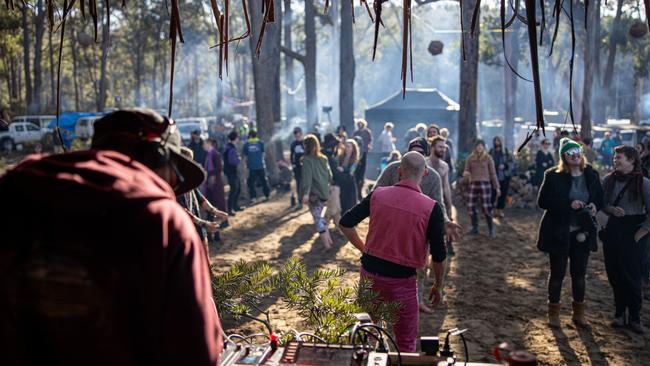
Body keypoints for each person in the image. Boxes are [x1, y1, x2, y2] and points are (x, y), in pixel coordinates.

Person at [0, 108, 223, 364]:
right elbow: (196, 353)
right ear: (157, 157)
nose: (174, 186)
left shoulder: (13, 197)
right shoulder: (162, 220)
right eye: (177, 175)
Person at [340, 152, 447, 353]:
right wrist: (438, 285)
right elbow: (439, 255)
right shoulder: (431, 208)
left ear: (399, 171)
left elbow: (345, 223)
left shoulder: (378, 194)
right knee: (405, 343)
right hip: (403, 283)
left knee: (366, 335)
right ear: (424, 173)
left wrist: (366, 249)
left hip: (370, 276)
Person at [377, 137, 461, 314]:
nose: (417, 157)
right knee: (386, 265)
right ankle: (385, 301)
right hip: (392, 227)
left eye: (421, 153)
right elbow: (377, 191)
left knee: (420, 267)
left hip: (419, 229)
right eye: (413, 153)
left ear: (426, 155)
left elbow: (439, 204)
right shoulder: (393, 169)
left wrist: (445, 221)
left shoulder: (433, 177)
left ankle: (418, 300)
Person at [537, 137, 603, 328]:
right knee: (557, 274)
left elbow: (599, 196)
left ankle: (579, 315)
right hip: (559, 231)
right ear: (563, 156)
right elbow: (543, 202)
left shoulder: (591, 174)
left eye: (577, 152)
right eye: (570, 153)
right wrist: (568, 204)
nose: (575, 156)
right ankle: (554, 314)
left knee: (579, 274)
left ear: (582, 154)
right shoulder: (553, 175)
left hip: (582, 232)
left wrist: (593, 205)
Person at [601, 146, 649, 333]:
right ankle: (619, 314)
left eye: (619, 157)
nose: (615, 160)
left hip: (635, 232)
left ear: (631, 160)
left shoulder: (643, 183)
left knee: (632, 276)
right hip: (614, 230)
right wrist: (611, 210)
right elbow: (602, 203)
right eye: (614, 157)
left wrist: (641, 232)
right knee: (615, 273)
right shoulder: (608, 180)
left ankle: (635, 317)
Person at [178, 146, 229, 246]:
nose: (191, 163)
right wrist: (203, 223)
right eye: (188, 160)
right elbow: (181, 210)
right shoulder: (175, 185)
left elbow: (200, 198)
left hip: (197, 230)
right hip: (184, 233)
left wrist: (215, 211)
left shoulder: (189, 180)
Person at [301, 134, 334, 249]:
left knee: (317, 220)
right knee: (321, 218)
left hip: (314, 195)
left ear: (306, 146)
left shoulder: (307, 160)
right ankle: (329, 242)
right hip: (325, 193)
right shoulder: (324, 158)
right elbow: (330, 176)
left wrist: (305, 194)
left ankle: (327, 246)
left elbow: (307, 178)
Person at [464, 140, 500, 237]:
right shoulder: (470, 158)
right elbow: (466, 170)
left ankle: (491, 229)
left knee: (486, 207)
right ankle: (475, 227)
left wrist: (497, 187)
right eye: (478, 146)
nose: (479, 147)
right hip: (473, 183)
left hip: (485, 184)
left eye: (481, 146)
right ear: (475, 147)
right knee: (471, 205)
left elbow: (493, 174)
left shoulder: (488, 158)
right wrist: (466, 174)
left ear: (484, 147)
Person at [429, 136, 454, 255]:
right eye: (440, 147)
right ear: (432, 147)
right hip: (426, 202)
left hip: (440, 202)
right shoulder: (424, 163)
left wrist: (449, 204)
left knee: (447, 221)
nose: (443, 150)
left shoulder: (444, 166)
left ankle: (449, 245)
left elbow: (446, 186)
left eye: (444, 147)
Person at [203, 138, 228, 237]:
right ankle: (212, 233)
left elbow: (219, 168)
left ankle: (217, 232)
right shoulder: (209, 155)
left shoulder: (215, 155)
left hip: (216, 184)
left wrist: (208, 173)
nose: (203, 145)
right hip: (210, 185)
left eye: (204, 143)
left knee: (217, 206)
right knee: (210, 208)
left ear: (209, 144)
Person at [242, 130, 270, 203]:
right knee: (263, 181)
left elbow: (245, 156)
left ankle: (253, 197)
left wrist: (245, 165)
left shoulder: (246, 144)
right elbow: (263, 154)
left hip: (252, 167)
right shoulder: (260, 142)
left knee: (251, 183)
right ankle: (267, 195)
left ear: (250, 136)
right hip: (260, 166)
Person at [489, 136, 514, 219]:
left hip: (504, 176)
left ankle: (500, 211)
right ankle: (492, 210)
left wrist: (505, 166)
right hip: (493, 176)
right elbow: (488, 163)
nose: (497, 142)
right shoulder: (491, 152)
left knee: (503, 194)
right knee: (492, 194)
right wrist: (495, 167)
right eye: (495, 141)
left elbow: (511, 163)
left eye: (498, 141)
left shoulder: (506, 152)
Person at [322, 133, 343, 226]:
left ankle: (341, 229)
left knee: (337, 209)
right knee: (331, 210)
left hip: (333, 186)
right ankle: (323, 229)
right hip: (331, 186)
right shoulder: (327, 157)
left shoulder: (327, 155)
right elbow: (334, 173)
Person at [337, 138, 360, 214]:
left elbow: (351, 171)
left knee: (350, 203)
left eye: (349, 146)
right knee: (342, 201)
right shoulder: (341, 157)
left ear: (353, 148)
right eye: (346, 146)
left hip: (350, 183)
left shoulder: (355, 159)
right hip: (342, 182)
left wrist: (343, 169)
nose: (346, 148)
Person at [353, 119, 373, 200]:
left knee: (362, 169)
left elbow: (370, 140)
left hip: (364, 152)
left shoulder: (367, 132)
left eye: (361, 124)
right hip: (357, 153)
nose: (360, 125)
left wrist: (368, 146)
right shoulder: (356, 132)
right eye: (359, 124)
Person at [223, 131, 242, 215]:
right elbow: (232, 161)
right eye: (238, 137)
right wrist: (238, 159)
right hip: (231, 171)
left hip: (231, 171)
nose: (238, 139)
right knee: (234, 189)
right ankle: (230, 209)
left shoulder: (228, 146)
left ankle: (235, 206)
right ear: (235, 138)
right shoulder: (231, 148)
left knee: (238, 188)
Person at [290, 127, 305, 209]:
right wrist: (293, 164)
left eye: (298, 133)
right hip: (297, 168)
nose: (297, 135)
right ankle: (300, 202)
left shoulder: (305, 143)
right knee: (299, 184)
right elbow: (292, 156)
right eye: (295, 134)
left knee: (307, 184)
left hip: (306, 168)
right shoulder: (293, 144)